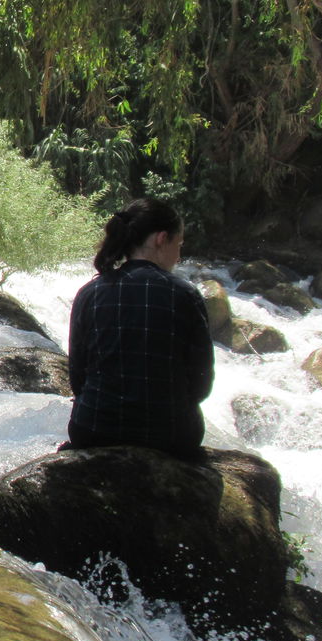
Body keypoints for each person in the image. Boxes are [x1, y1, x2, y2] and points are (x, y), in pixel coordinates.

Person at [64, 197, 214, 460]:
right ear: (161, 239)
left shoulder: (90, 293)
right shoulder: (185, 294)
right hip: (173, 436)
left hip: (94, 429)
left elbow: (78, 377)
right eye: (179, 245)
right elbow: (201, 381)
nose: (179, 256)